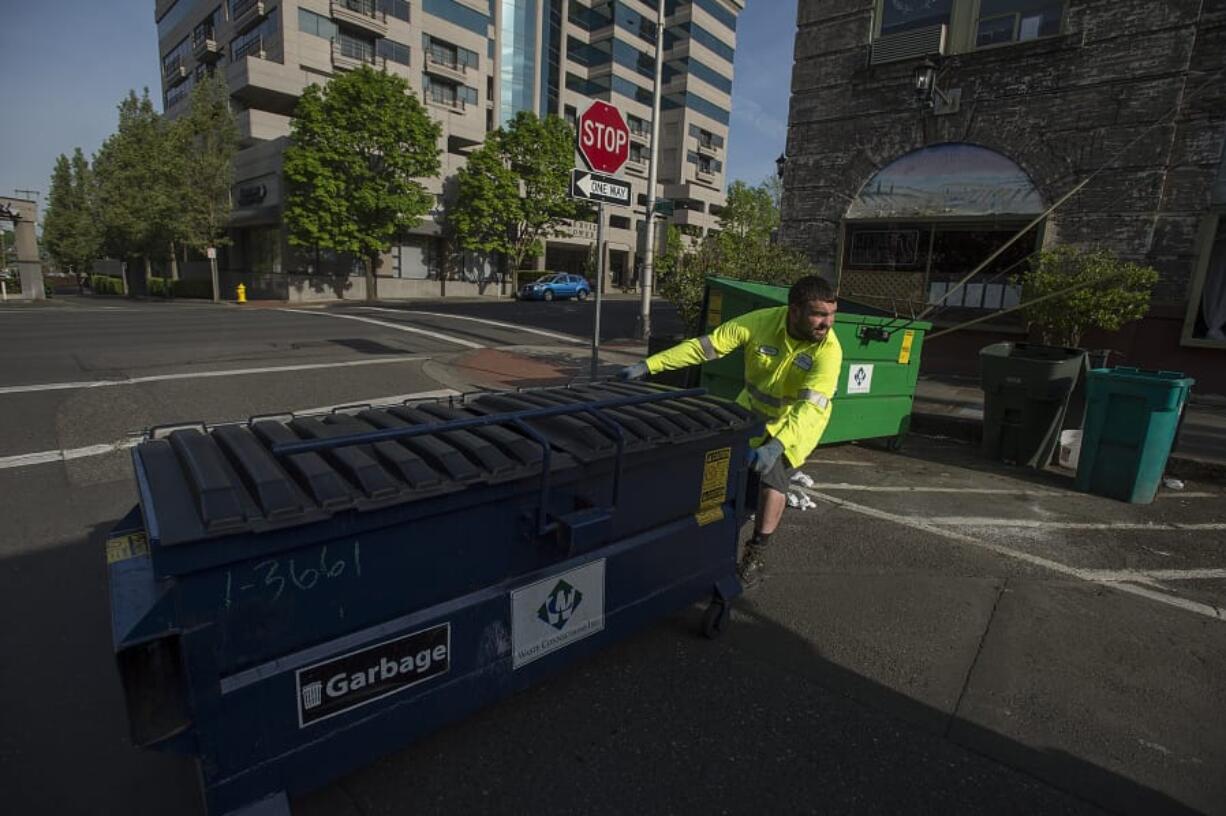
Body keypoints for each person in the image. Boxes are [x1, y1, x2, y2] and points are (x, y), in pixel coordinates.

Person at [619, 275, 842, 587]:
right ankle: (705, 533)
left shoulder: (828, 352)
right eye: (819, 314)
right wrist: (649, 366)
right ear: (794, 311)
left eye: (832, 314)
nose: (827, 323)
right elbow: (705, 348)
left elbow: (810, 409)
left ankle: (756, 553)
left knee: (772, 479)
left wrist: (776, 446)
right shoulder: (760, 322)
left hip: (795, 423)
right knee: (717, 463)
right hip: (751, 410)